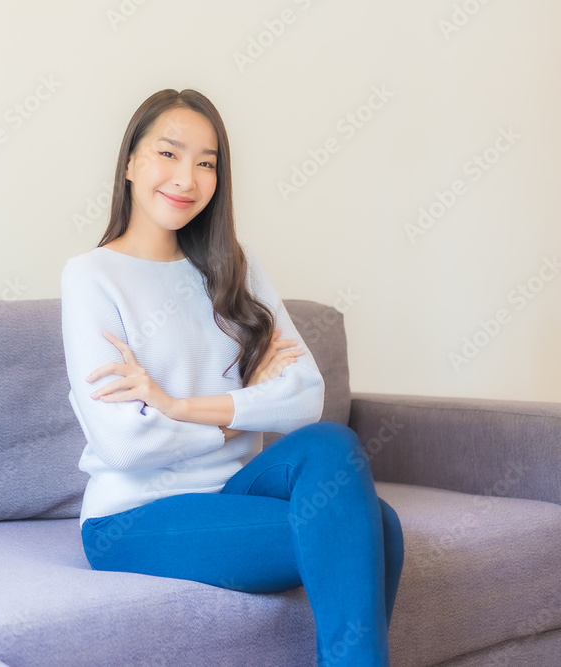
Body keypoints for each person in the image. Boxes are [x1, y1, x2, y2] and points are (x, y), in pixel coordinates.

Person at [60, 88, 404, 667]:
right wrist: (241, 410)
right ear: (130, 163)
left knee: (331, 444)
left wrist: (177, 405)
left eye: (206, 162)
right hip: (133, 515)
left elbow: (305, 397)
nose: (186, 178)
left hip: (232, 493)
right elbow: (123, 442)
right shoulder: (92, 277)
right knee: (377, 527)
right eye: (169, 154)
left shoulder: (234, 270)